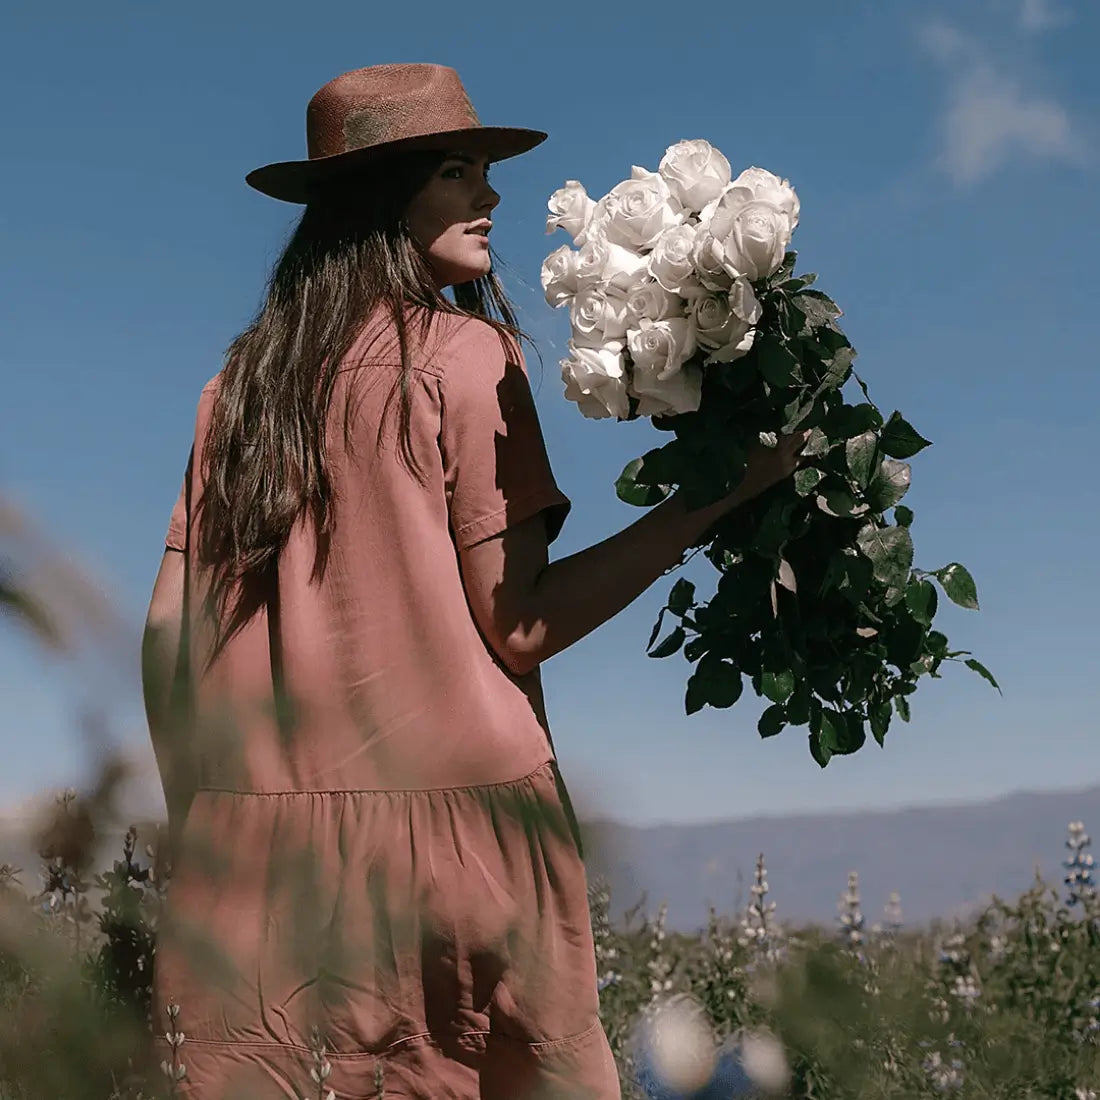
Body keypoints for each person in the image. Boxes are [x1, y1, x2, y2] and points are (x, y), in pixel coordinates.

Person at [140, 63, 806, 1100]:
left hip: (258, 852)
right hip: (463, 846)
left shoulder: (233, 394)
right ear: (383, 199)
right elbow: (523, 624)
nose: (489, 200)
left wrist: (209, 824)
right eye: (459, 173)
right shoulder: (465, 357)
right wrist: (714, 498)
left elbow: (165, 633)